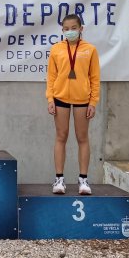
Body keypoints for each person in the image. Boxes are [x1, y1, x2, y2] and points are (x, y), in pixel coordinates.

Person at [45, 14, 100, 195]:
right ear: (62, 30)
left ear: (81, 28)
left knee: (82, 138)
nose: (70, 32)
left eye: (73, 28)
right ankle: (59, 179)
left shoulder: (90, 50)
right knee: (61, 136)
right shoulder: (56, 49)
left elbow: (95, 78)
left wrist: (93, 102)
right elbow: (51, 76)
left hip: (82, 100)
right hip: (60, 98)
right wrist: (50, 98)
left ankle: (83, 180)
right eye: (66, 29)